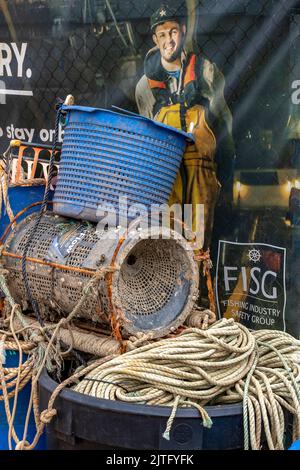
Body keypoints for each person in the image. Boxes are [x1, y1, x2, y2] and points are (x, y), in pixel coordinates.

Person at [135, 3, 235, 252]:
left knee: (201, 244)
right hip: (167, 174)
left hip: (202, 172)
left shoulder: (206, 72)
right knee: (167, 242)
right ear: (154, 39)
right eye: (162, 34)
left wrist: (227, 177)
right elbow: (146, 138)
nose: (169, 40)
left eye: (173, 32)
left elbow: (225, 126)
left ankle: (202, 284)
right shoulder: (144, 87)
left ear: (183, 30)